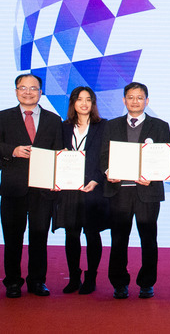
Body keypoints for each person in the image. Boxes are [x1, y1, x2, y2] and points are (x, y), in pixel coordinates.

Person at [0, 73, 64, 297]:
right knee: (12, 238)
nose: (28, 92)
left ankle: (37, 281)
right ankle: (12, 282)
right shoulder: (3, 117)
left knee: (39, 237)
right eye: (23, 88)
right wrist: (11, 150)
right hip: (13, 188)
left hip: (42, 190)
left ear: (40, 92)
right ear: (16, 91)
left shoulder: (54, 120)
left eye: (33, 88)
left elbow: (59, 152)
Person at [101, 82, 170, 299]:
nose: (135, 101)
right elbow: (103, 154)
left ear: (147, 101)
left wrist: (154, 175)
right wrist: (107, 170)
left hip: (147, 192)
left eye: (140, 97)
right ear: (124, 100)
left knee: (148, 239)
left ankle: (146, 283)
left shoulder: (160, 126)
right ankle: (119, 283)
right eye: (130, 97)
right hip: (119, 190)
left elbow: (165, 156)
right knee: (119, 239)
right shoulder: (111, 125)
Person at [53, 86, 109, 295]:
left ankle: (91, 276)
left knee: (92, 233)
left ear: (93, 103)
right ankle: (74, 276)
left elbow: (107, 155)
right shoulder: (64, 127)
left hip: (93, 187)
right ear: (73, 103)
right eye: (79, 99)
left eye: (88, 99)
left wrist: (96, 178)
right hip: (69, 188)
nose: (84, 103)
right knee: (71, 234)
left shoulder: (103, 126)